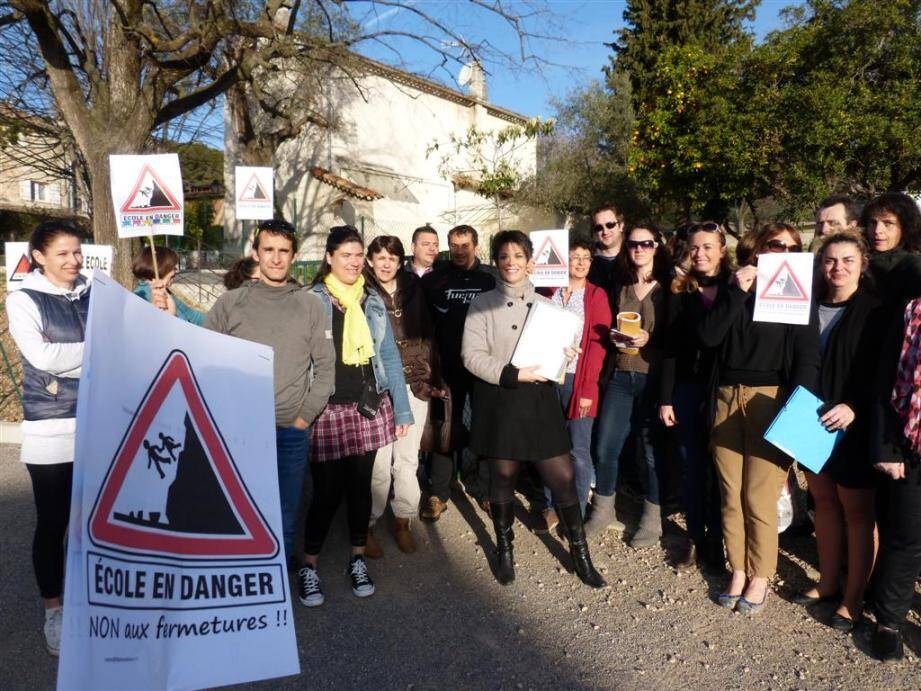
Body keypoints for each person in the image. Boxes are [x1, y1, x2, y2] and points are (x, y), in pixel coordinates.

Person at [462, 230, 605, 588]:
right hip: (500, 400)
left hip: (540, 402)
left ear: (530, 262)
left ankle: (580, 553)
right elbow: (471, 356)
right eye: (504, 256)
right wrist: (511, 373)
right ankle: (505, 550)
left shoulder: (549, 307)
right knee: (503, 478)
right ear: (496, 262)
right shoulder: (481, 303)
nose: (511, 262)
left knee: (564, 476)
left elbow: (559, 352)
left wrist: (565, 356)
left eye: (518, 256)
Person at [697, 222, 820, 615]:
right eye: (773, 244)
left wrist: (796, 409)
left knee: (759, 496)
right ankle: (738, 569)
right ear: (757, 248)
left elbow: (807, 357)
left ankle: (761, 574)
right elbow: (709, 338)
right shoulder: (736, 289)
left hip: (772, 399)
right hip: (727, 397)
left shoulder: (800, 293)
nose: (781, 250)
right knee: (730, 494)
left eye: (790, 245)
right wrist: (736, 292)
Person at [205, 219, 335, 569]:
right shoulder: (230, 304)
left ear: (294, 256)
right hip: (240, 430)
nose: (276, 259)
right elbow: (202, 359)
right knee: (238, 504)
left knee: (285, 507)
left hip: (289, 430)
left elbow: (325, 371)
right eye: (268, 250)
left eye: (283, 251)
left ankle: (277, 576)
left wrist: (301, 420)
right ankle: (244, 573)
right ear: (256, 253)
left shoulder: (310, 306)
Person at [301, 226, 413, 605]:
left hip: (367, 405)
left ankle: (357, 559)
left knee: (361, 488)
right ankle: (309, 566)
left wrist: (401, 407)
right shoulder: (311, 301)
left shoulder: (371, 301)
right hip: (327, 408)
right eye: (345, 254)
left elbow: (389, 358)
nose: (353, 261)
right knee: (327, 493)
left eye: (357, 254)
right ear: (329, 257)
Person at [790, 234, 882, 633]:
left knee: (858, 515)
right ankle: (828, 583)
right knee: (824, 503)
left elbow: (884, 372)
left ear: (862, 262)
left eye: (847, 259)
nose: (838, 268)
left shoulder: (877, 311)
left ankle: (853, 599)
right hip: (810, 419)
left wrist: (855, 406)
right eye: (830, 260)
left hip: (854, 423)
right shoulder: (806, 304)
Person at [6, 220, 89, 656]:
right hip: (52, 429)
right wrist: (100, 346)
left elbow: (132, 336)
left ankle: (93, 599)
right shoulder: (22, 298)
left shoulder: (97, 291)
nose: (73, 261)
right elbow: (43, 357)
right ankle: (53, 609)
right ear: (38, 256)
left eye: (77, 252)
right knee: (53, 523)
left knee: (93, 523)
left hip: (101, 423)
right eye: (62, 254)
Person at [860, 191, 921, 660]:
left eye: (889, 223)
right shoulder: (904, 299)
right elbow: (891, 375)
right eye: (874, 222)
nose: (879, 230)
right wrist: (888, 443)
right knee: (901, 531)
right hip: (901, 430)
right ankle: (889, 620)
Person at [586, 225, 671, 549]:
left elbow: (677, 333)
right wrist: (611, 336)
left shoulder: (670, 286)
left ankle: (653, 519)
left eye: (646, 243)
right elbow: (606, 322)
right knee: (607, 448)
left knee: (651, 454)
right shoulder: (619, 285)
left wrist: (652, 338)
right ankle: (603, 510)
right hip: (621, 375)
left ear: (656, 247)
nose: (639, 249)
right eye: (634, 244)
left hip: (653, 378)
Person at [659, 222, 730, 570]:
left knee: (721, 468)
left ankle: (717, 539)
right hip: (687, 387)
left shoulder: (737, 286)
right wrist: (666, 397)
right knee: (692, 466)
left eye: (707, 247)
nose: (700, 254)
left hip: (725, 388)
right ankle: (696, 536)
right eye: (694, 248)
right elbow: (670, 348)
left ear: (722, 250)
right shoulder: (680, 290)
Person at [364, 235, 441, 556]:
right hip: (379, 386)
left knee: (407, 460)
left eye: (392, 258)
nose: (385, 264)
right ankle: (367, 524)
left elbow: (427, 331)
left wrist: (426, 369)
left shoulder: (413, 288)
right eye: (380, 257)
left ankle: (403, 520)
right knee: (379, 463)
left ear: (400, 261)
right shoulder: (362, 292)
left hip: (414, 384)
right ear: (369, 260)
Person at [420, 224, 496, 520]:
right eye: (454, 245)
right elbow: (422, 323)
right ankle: (439, 493)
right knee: (444, 429)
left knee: (486, 428)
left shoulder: (491, 279)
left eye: (465, 245)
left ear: (476, 246)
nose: (459, 251)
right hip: (447, 368)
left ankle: (488, 490)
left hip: (483, 369)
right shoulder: (435, 280)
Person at [542, 237, 611, 521]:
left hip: (577, 380)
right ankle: (549, 505)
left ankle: (577, 510)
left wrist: (587, 389)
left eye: (586, 257)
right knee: (548, 445)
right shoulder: (549, 290)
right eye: (574, 257)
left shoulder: (596, 296)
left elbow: (598, 346)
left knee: (578, 450)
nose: (580, 263)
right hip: (546, 377)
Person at [132, 246, 205, 324]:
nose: (176, 270)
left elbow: (194, 316)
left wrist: (217, 318)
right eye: (173, 267)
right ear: (160, 267)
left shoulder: (164, 291)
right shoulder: (142, 300)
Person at [587, 204, 625, 290]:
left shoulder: (634, 256)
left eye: (610, 225)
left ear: (621, 226)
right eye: (599, 227)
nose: (605, 232)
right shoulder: (587, 260)